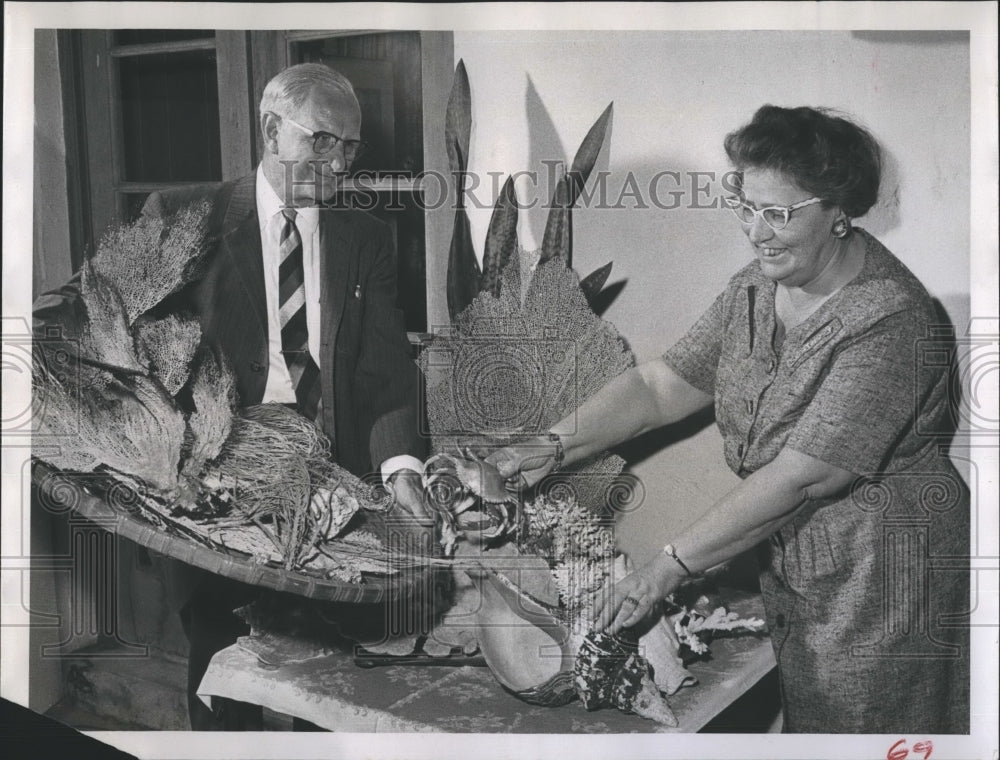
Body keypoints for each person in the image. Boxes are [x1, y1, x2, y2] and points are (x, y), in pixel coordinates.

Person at [488, 105, 969, 733]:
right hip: (795, 557)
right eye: (746, 205)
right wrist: (549, 447)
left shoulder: (891, 319)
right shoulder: (755, 288)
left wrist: (667, 567)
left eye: (778, 214)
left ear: (839, 211)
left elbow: (802, 476)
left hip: (885, 577)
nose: (756, 231)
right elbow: (661, 386)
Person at [33, 63, 432, 729]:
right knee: (221, 676)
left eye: (352, 148)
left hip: (330, 485)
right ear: (274, 130)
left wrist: (402, 469)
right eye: (324, 142)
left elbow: (387, 370)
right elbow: (127, 358)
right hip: (214, 492)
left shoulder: (366, 240)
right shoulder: (186, 216)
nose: (339, 165)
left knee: (327, 686)